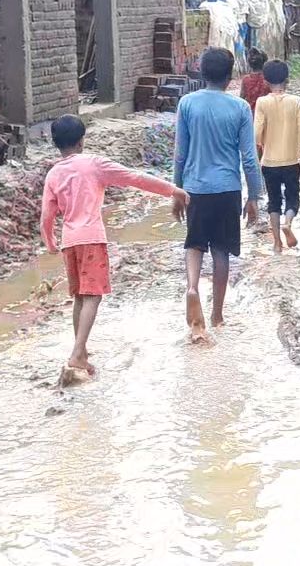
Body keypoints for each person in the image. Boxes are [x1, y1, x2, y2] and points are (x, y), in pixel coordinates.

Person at [40, 115, 189, 381]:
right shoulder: (94, 164)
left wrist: (50, 241)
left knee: (80, 297)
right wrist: (173, 190)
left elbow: (47, 214)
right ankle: (76, 353)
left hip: (69, 242)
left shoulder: (53, 173)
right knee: (93, 296)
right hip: (92, 239)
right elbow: (134, 178)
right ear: (82, 140)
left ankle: (82, 352)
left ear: (55, 144)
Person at [175, 46, 264, 343]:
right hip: (227, 188)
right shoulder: (239, 108)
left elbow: (180, 154)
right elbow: (249, 159)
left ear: (201, 72)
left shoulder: (187, 104)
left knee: (194, 244)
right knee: (221, 251)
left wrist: (176, 190)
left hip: (195, 187)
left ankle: (191, 288)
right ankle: (217, 314)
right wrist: (254, 196)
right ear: (230, 77)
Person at [253, 59, 300, 252]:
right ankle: (288, 223)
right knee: (292, 197)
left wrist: (260, 150)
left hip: (269, 162)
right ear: (287, 80)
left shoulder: (262, 102)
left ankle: (277, 243)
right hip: (291, 161)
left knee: (273, 201)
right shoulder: (295, 102)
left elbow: (256, 133)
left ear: (265, 81)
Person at [239, 48, 271, 116]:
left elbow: (241, 99)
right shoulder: (268, 79)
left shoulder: (246, 80)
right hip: (266, 116)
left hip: (251, 117)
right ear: (264, 62)